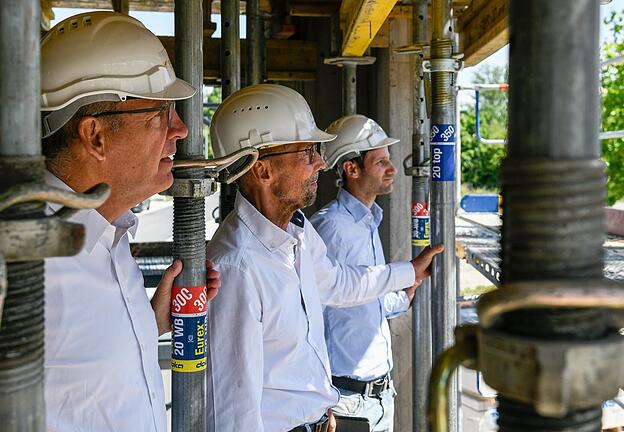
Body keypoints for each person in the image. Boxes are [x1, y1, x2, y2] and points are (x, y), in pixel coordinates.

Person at [205, 84, 443, 432]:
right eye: (306, 152)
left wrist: (409, 272)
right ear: (262, 170)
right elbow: (231, 411)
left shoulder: (297, 235)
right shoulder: (237, 265)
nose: (319, 162)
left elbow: (338, 283)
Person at [40, 11, 220, 432]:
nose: (180, 129)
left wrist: (146, 319)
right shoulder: (24, 258)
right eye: (160, 113)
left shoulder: (108, 236)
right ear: (96, 136)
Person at [309, 114, 409, 432]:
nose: (392, 169)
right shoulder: (330, 227)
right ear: (352, 169)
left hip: (380, 396)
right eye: (380, 162)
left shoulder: (367, 221)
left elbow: (363, 300)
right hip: (345, 399)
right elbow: (317, 306)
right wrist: (324, 401)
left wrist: (404, 296)